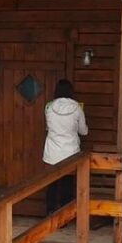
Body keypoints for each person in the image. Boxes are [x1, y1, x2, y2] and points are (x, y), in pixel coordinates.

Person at [43, 79, 88, 213]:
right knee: (67, 185)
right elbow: (83, 131)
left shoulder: (49, 107)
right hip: (71, 152)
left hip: (52, 152)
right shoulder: (77, 108)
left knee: (51, 184)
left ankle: (49, 213)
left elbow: (48, 127)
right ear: (71, 91)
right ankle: (66, 216)